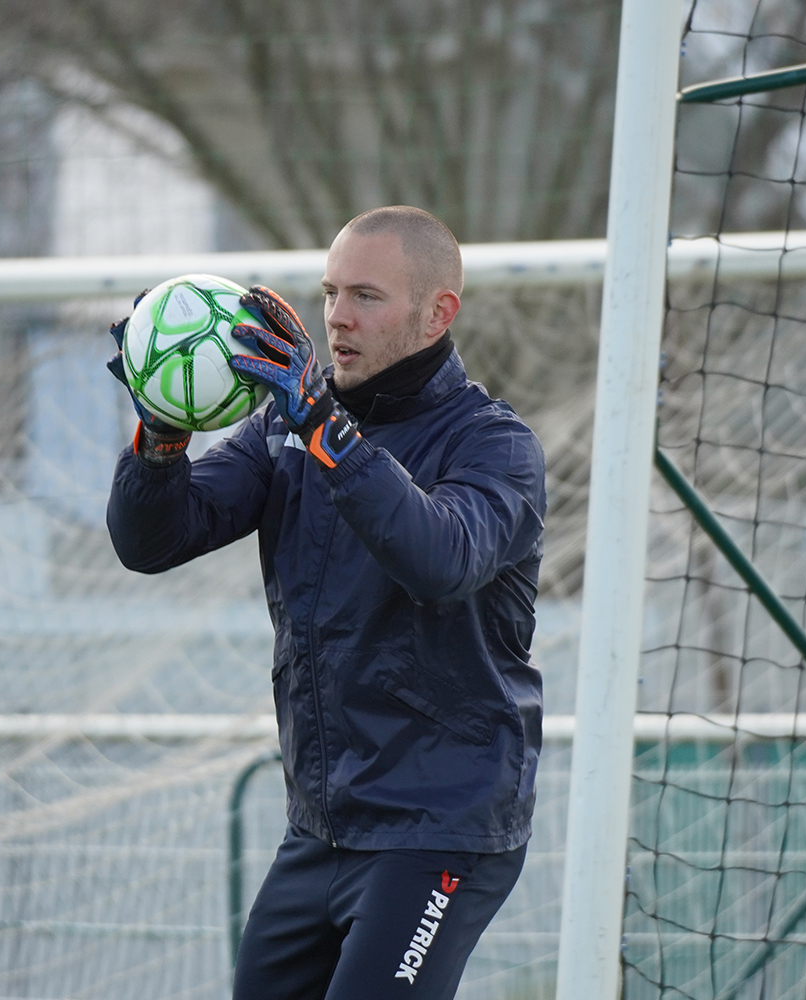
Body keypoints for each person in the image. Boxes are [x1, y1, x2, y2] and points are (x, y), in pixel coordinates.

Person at [107, 205, 546, 999]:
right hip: (321, 829)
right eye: (330, 291)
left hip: (437, 829)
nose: (337, 317)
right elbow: (154, 541)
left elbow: (441, 558)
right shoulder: (285, 426)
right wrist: (161, 432)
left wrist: (323, 424)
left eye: (367, 296)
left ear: (436, 312)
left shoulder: (494, 444)